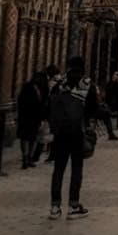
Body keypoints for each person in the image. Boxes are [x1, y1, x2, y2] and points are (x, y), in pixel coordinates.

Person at [48, 56, 98, 221]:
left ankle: (55, 207)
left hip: (60, 133)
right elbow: (93, 108)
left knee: (58, 169)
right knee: (77, 169)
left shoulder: (59, 84)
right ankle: (73, 206)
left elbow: (50, 106)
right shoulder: (87, 84)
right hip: (77, 132)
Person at [16, 74, 43, 169]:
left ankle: (26, 158)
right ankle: (28, 158)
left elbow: (20, 102)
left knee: (27, 138)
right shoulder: (35, 90)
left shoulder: (26, 89)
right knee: (31, 138)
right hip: (32, 117)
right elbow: (39, 105)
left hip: (26, 117)